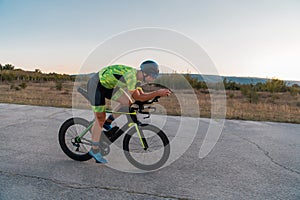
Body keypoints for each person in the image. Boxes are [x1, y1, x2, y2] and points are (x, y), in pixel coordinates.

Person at [87, 60, 171, 163]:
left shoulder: (138, 80)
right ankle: (94, 150)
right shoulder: (131, 76)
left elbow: (139, 97)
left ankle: (108, 123)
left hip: (109, 87)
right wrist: (157, 92)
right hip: (96, 85)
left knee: (128, 103)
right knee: (100, 119)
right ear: (145, 73)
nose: (153, 78)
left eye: (155, 76)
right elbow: (138, 97)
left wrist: (154, 97)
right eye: (153, 75)